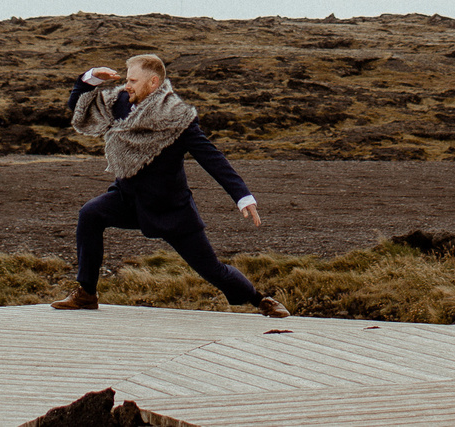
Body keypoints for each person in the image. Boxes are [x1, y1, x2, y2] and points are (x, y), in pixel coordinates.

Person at [50, 53, 288, 317]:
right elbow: (79, 107)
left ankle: (259, 300)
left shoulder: (178, 118)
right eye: (126, 80)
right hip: (127, 199)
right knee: (90, 214)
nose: (126, 86)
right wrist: (91, 77)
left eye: (132, 81)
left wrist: (242, 196)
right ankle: (86, 294)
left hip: (170, 210)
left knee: (212, 269)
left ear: (153, 82)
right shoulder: (121, 101)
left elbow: (211, 157)